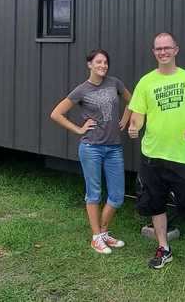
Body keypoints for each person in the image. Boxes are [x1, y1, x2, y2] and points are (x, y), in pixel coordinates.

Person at [127, 32, 185, 282]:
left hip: (182, 156)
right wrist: (134, 126)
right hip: (152, 156)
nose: (163, 52)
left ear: (176, 50)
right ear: (154, 52)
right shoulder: (145, 82)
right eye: (158, 49)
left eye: (167, 48)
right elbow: (139, 114)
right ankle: (164, 248)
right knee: (156, 204)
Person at [50, 49, 132, 254]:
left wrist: (125, 118)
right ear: (89, 64)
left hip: (113, 147)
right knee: (93, 193)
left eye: (105, 62)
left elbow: (133, 101)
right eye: (98, 62)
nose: (103, 65)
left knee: (117, 195)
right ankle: (96, 237)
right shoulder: (81, 90)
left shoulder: (115, 83)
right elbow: (56, 113)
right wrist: (78, 129)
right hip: (91, 148)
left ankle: (103, 232)